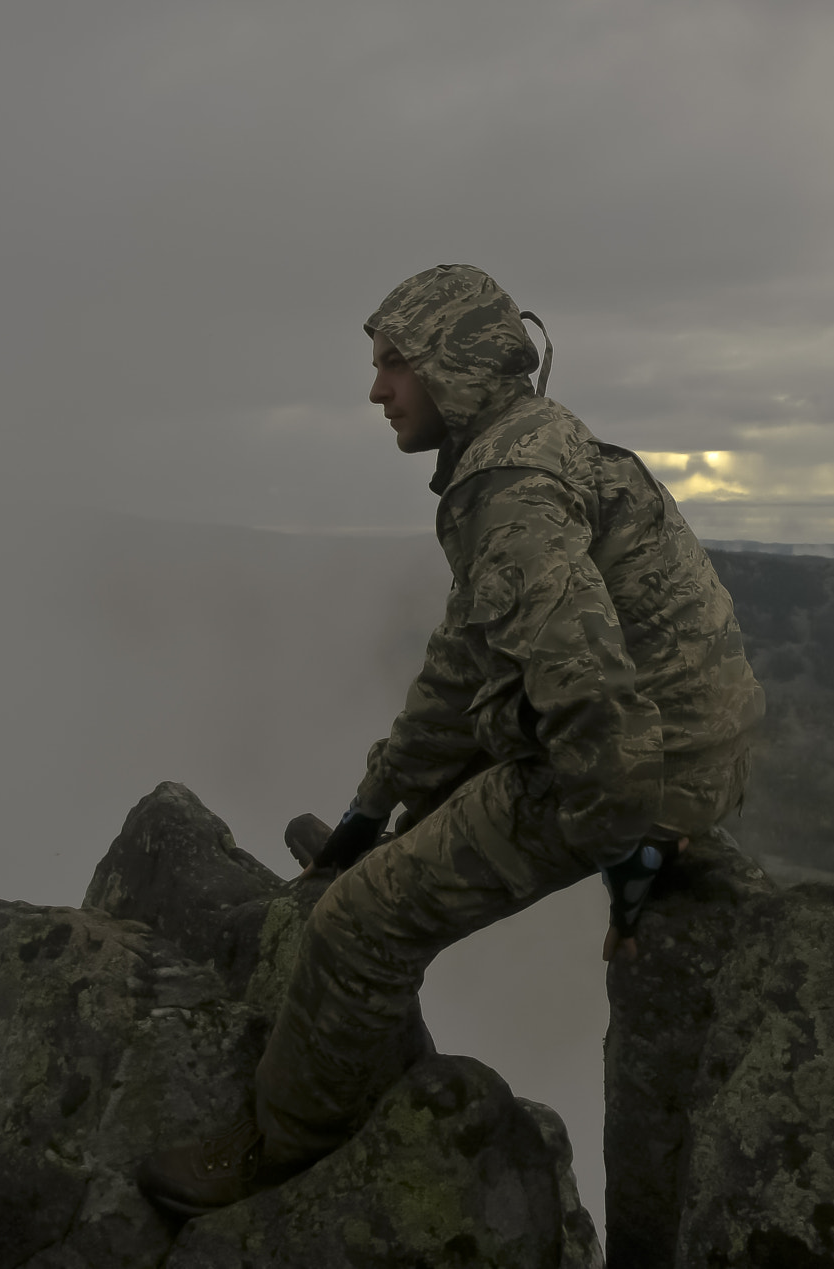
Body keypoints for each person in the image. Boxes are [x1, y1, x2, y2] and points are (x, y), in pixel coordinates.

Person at [137, 264, 766, 1214]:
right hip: (689, 736)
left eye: (397, 363)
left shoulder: (508, 487)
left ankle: (279, 1143)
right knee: (436, 786)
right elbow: (466, 660)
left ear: (456, 367)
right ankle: (383, 850)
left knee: (357, 926)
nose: (377, 389)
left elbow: (590, 698)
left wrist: (626, 851)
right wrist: (372, 804)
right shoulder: (526, 444)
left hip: (640, 764)